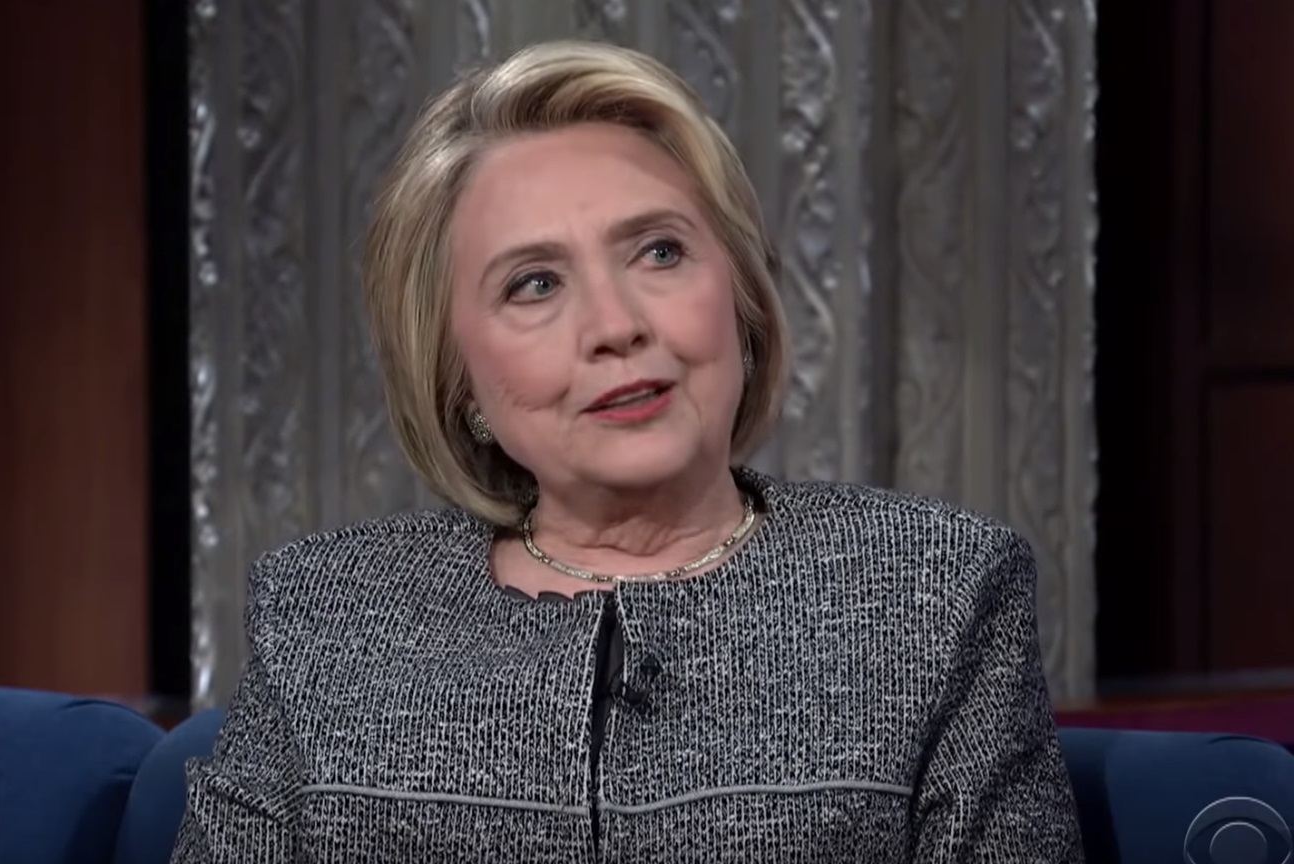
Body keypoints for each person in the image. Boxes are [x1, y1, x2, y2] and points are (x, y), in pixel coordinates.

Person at [172, 39, 1085, 863]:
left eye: (658, 252)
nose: (615, 325)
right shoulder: (323, 619)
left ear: (740, 297)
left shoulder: (937, 592)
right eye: (535, 284)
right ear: (456, 376)